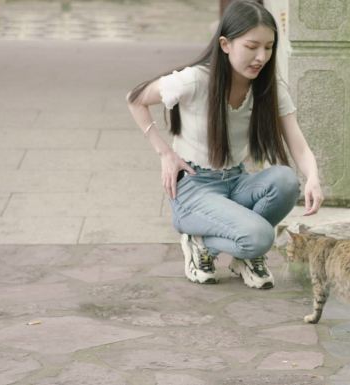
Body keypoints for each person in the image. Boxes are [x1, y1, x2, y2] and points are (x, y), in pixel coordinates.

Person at [126, 0, 323, 290]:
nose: (261, 56)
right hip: (193, 187)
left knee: (286, 181)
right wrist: (164, 153)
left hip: (234, 182)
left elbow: (299, 145)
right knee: (260, 237)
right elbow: (135, 98)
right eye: (251, 46)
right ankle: (204, 245)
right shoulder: (194, 80)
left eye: (268, 47)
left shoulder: (268, 87)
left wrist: (314, 178)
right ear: (226, 44)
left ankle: (240, 254)